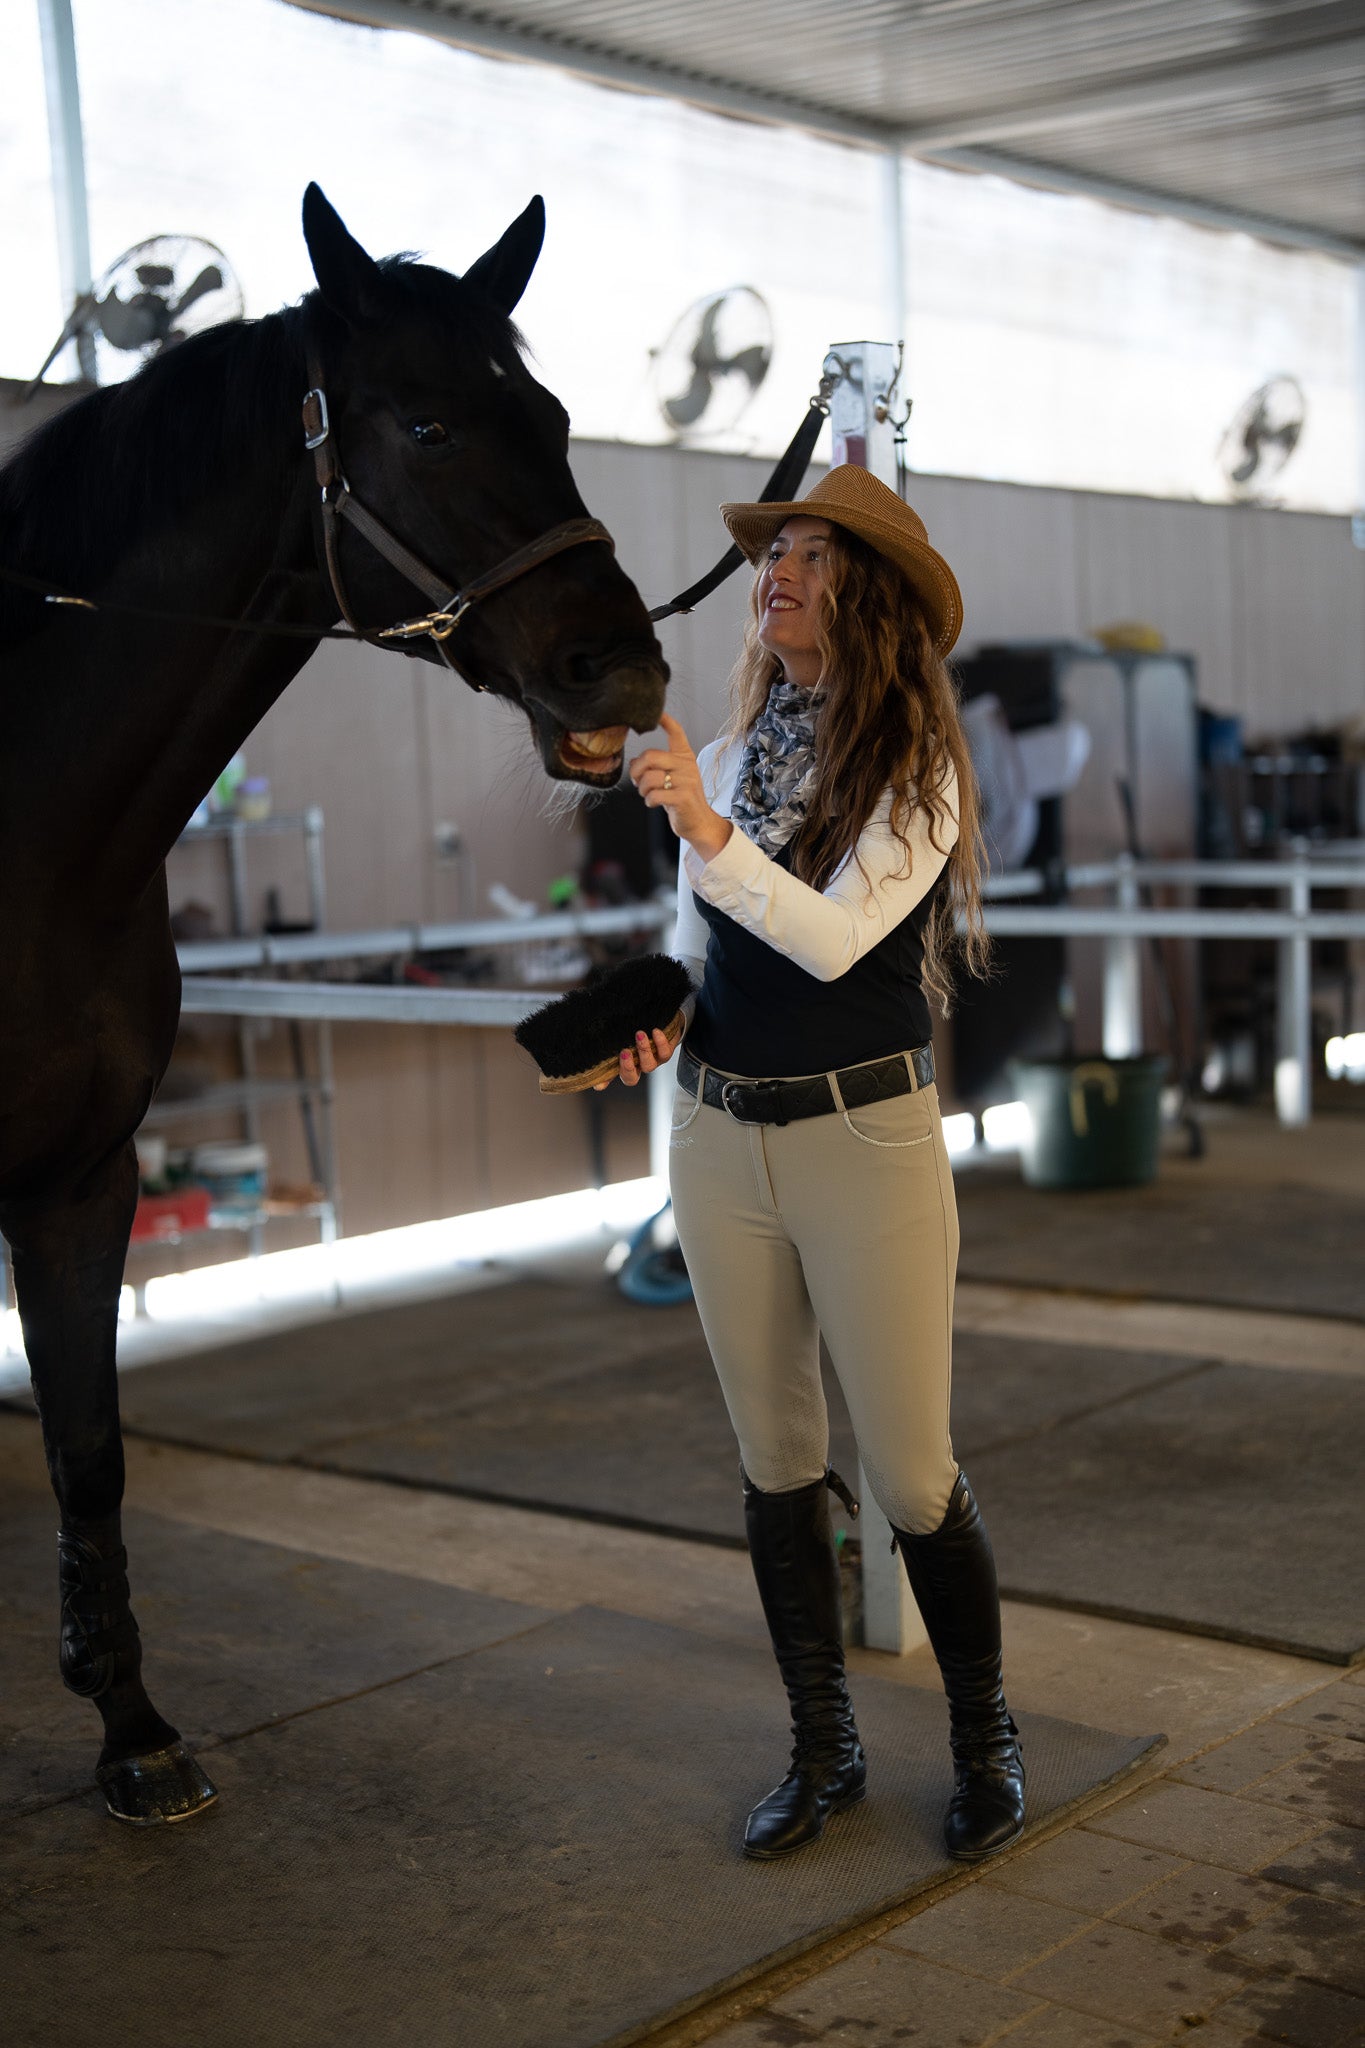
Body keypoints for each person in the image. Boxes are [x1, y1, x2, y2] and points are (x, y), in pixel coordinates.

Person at [595, 465, 1024, 1866]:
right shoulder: (718, 764)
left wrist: (707, 838)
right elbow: (704, 945)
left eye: (816, 556)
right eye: (775, 550)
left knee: (906, 1476)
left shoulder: (917, 770)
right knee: (775, 1463)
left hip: (865, 1141)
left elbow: (835, 939)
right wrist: (645, 1022)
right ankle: (822, 1748)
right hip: (718, 1139)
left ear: (874, 598)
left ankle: (984, 1742)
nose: (780, 570)